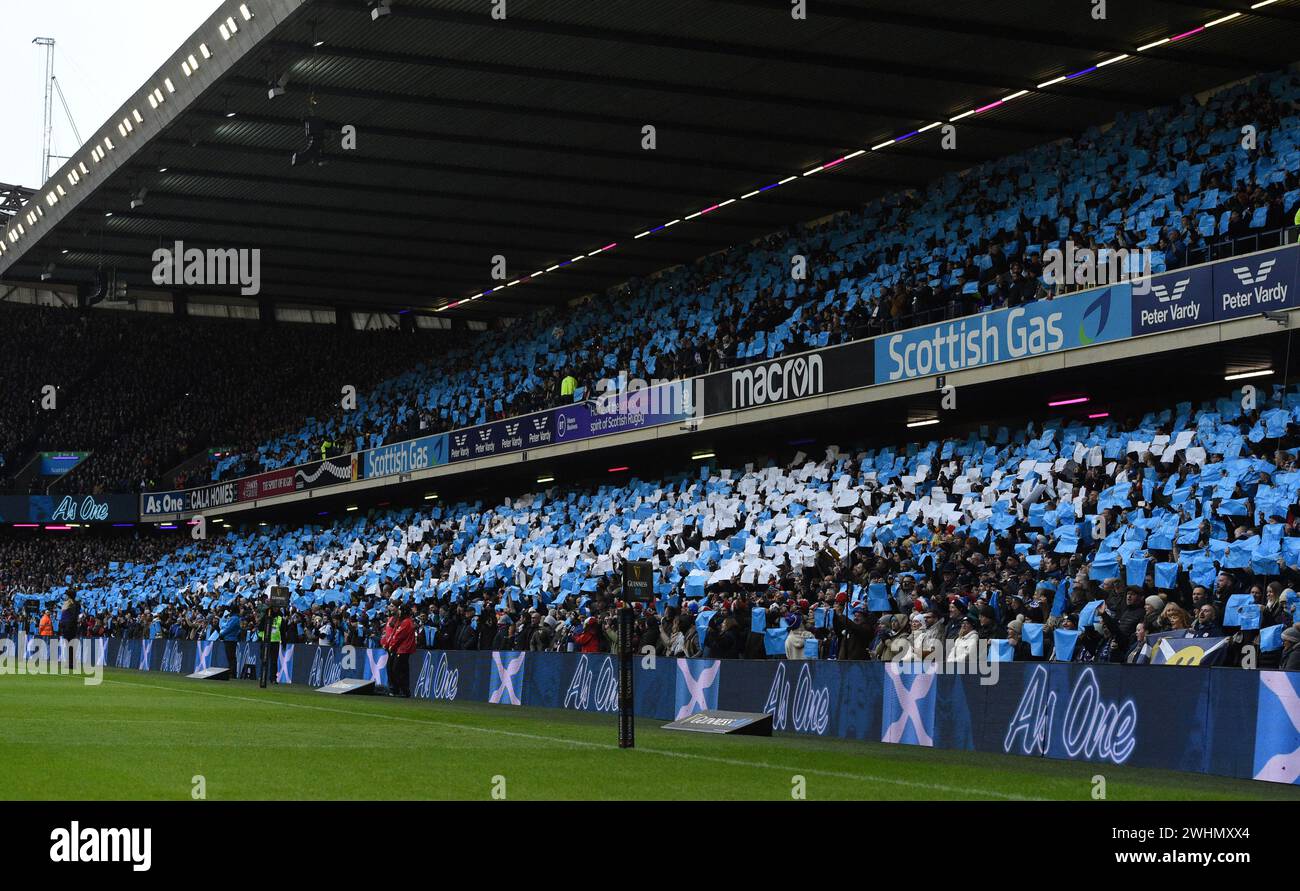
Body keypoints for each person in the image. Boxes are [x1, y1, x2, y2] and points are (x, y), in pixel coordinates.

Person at [388, 606, 415, 697]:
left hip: (403, 649)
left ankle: (404, 690)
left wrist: (392, 646)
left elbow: (398, 636)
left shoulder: (406, 622)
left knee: (398, 669)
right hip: (402, 649)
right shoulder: (405, 621)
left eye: (400, 611)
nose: (398, 613)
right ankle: (402, 690)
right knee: (399, 669)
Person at [219, 610, 241, 674]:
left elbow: (229, 628)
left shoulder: (234, 618)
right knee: (230, 657)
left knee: (231, 656)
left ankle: (232, 672)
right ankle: (232, 671)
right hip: (230, 639)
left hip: (230, 639)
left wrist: (222, 634)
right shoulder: (235, 618)